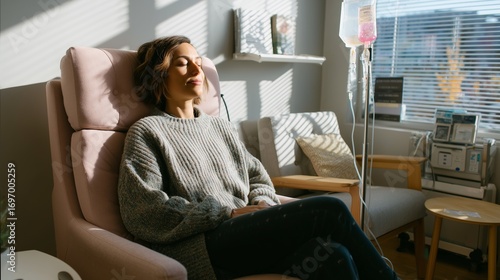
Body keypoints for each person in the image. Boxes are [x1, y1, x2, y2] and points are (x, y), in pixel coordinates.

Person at [118, 35, 399, 280]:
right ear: (158, 75)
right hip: (206, 243)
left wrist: (263, 202)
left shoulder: (219, 126)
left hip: (247, 232)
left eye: (199, 62)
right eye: (182, 63)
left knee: (332, 254)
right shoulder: (147, 131)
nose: (197, 69)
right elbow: (144, 211)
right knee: (330, 211)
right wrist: (224, 212)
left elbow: (256, 175)